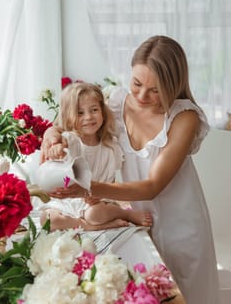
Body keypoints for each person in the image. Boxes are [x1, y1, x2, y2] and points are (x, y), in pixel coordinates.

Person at [41, 35, 220, 304]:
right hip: (134, 220)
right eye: (136, 83)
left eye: (155, 89)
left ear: (173, 84)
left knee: (185, 297)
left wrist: (89, 186)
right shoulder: (115, 101)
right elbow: (65, 121)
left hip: (180, 227)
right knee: (140, 293)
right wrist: (50, 135)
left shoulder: (185, 117)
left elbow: (153, 185)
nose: (141, 96)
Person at [40, 82, 152, 231]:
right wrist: (56, 148)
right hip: (68, 204)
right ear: (69, 117)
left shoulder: (110, 147)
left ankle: (125, 214)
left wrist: (101, 196)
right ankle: (91, 227)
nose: (88, 117)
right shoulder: (70, 141)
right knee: (47, 220)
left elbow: (110, 182)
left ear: (103, 112)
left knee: (94, 214)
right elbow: (57, 147)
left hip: (95, 203)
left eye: (94, 110)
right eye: (80, 113)